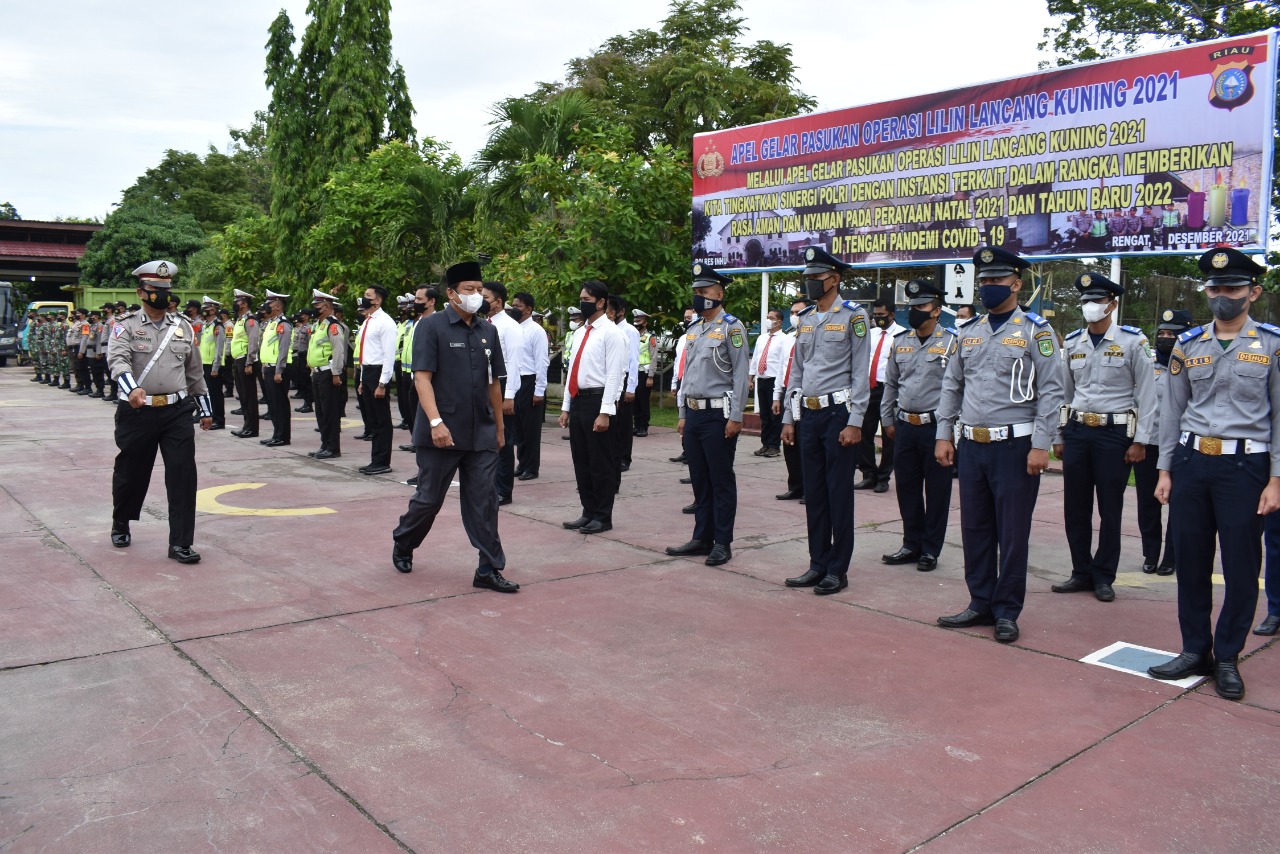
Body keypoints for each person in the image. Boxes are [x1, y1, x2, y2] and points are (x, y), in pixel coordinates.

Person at [1148, 248, 1280, 701]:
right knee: (1191, 560)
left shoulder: (1272, 345)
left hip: (1246, 466)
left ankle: (1227, 656)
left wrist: (1276, 478)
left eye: (1232, 289)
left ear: (1253, 293)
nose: (1222, 296)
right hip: (1191, 463)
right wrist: (1165, 468)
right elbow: (1173, 411)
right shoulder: (1187, 344)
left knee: (1242, 567)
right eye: (1215, 289)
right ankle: (1194, 649)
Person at [934, 246, 1065, 642]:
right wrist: (943, 433)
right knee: (975, 528)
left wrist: (1042, 445)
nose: (990, 287)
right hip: (972, 445)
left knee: (1011, 533)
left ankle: (1007, 609)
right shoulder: (967, 332)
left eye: (998, 280)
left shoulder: (1035, 331)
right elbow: (952, 385)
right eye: (985, 281)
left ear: (1017, 284)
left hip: (1016, 448)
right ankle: (980, 602)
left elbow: (1052, 391)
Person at [391, 261, 516, 592]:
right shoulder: (431, 327)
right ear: (451, 293)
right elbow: (422, 378)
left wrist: (500, 428)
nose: (476, 296)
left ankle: (488, 568)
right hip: (441, 432)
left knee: (484, 501)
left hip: (482, 432)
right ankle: (404, 541)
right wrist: (435, 422)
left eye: (480, 290)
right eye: (469, 290)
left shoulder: (488, 330)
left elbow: (493, 383)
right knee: (429, 500)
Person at [1051, 273, 1157, 602]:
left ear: (1112, 304)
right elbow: (1063, 393)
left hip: (1114, 434)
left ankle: (1103, 575)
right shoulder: (1073, 343)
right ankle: (1080, 571)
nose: (1090, 307)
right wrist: (1059, 434)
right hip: (1079, 431)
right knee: (1075, 507)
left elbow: (1148, 395)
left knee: (1110, 508)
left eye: (1096, 301)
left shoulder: (1132, 342)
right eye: (1085, 301)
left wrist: (1141, 440)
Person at [780, 246, 872, 595]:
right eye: (807, 278)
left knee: (837, 493)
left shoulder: (853, 316)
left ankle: (837, 568)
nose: (810, 284)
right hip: (809, 414)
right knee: (815, 493)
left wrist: (856, 421)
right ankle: (817, 563)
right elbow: (797, 372)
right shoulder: (804, 319)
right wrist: (790, 416)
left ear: (834, 279)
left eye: (816, 278)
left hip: (838, 415)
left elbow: (861, 372)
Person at [107, 261, 212, 563]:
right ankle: (121, 521)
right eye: (156, 290)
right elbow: (118, 361)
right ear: (141, 293)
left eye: (167, 290)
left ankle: (180, 542)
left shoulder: (183, 327)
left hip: (176, 412)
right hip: (136, 411)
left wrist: (204, 408)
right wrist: (132, 389)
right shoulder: (124, 326)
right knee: (131, 473)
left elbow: (194, 372)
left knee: (182, 474)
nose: (164, 296)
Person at [666, 265, 750, 565]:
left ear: (719, 294)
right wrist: (682, 412)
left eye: (704, 292)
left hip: (719, 415)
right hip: (694, 414)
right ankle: (702, 537)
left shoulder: (732, 327)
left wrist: (737, 415)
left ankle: (722, 542)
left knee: (720, 479)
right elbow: (687, 374)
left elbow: (741, 374)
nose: (699, 297)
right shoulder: (694, 329)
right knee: (699, 479)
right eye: (696, 293)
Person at [880, 279, 958, 572]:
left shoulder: (952, 342)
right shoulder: (901, 341)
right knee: (907, 487)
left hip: (936, 427)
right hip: (904, 425)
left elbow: (957, 389)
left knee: (937, 491)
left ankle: (930, 548)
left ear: (936, 311)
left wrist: (948, 431)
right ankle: (911, 543)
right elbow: (891, 384)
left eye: (921, 306)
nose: (915, 311)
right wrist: (887, 419)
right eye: (911, 306)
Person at [560, 281, 626, 534]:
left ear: (600, 302)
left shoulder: (612, 333)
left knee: (601, 462)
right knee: (582, 460)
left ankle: (602, 516)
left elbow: (614, 375)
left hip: (598, 401)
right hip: (578, 400)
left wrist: (605, 411)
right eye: (581, 298)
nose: (582, 303)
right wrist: (566, 407)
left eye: (586, 299)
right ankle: (588, 511)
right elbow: (573, 371)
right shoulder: (579, 333)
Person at [1134, 309, 1191, 577]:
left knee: (1178, 503)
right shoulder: (1148, 364)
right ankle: (1151, 553)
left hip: (1181, 447)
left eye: (1173, 334)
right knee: (1148, 503)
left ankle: (1172, 555)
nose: (1166, 338)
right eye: (1163, 333)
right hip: (1150, 443)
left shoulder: (1192, 362)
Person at [483, 281, 525, 504]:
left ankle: (503, 490)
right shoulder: (482, 323)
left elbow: (515, 363)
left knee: (504, 441)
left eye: (486, 297)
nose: (480, 301)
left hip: (502, 385)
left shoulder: (510, 327)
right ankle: (488, 485)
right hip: (485, 385)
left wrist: (509, 396)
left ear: (498, 302)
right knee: (486, 439)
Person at [858, 298, 904, 492]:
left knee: (889, 436)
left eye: (881, 315)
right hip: (869, 388)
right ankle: (868, 474)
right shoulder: (871, 334)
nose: (877, 318)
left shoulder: (902, 334)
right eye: (875, 315)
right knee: (863, 433)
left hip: (890, 391)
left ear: (891, 315)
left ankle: (883, 477)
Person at [354, 285, 399, 475]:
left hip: (379, 372)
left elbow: (388, 355)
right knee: (372, 420)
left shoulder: (385, 322)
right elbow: (366, 354)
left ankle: (382, 461)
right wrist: (363, 380)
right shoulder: (368, 321)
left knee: (381, 420)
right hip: (368, 372)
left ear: (378, 300)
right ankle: (375, 459)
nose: (363, 298)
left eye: (367, 296)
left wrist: (382, 383)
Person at [511, 291, 549, 481]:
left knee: (530, 428)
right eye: (513, 305)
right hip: (515, 381)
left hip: (530, 380)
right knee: (518, 426)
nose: (514, 309)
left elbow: (542, 361)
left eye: (518, 306)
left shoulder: (536, 331)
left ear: (528, 309)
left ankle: (532, 467)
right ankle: (522, 462)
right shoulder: (514, 328)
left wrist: (539, 389)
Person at [305, 290, 347, 460]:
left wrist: (336, 373)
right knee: (321, 411)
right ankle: (325, 444)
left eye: (317, 305)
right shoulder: (318, 325)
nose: (314, 308)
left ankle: (333, 447)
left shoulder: (333, 325)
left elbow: (338, 351)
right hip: (317, 373)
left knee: (329, 411)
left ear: (327, 306)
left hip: (328, 373)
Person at [773, 299, 804, 500]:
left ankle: (810, 488)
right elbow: (781, 368)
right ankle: (795, 486)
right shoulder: (787, 339)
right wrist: (777, 395)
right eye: (792, 312)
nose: (794, 316)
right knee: (788, 442)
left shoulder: (812, 336)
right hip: (787, 392)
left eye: (798, 312)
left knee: (805, 443)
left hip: (806, 393)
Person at [608, 295, 640, 471]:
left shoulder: (629, 330)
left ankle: (624, 457)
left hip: (626, 378)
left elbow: (633, 360)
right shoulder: (608, 329)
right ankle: (613, 454)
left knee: (624, 423)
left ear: (620, 311)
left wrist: (631, 388)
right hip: (612, 378)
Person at [749, 308, 787, 458]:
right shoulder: (762, 338)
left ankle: (774, 445)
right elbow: (756, 358)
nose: (768, 320)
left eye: (771, 318)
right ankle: (765, 443)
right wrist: (750, 378)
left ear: (779, 321)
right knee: (764, 414)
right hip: (762, 379)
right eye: (767, 317)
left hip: (775, 380)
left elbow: (783, 362)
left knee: (775, 414)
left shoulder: (784, 339)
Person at [258, 290, 293, 447]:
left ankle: (283, 436)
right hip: (268, 368)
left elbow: (283, 349)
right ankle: (276, 433)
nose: (267, 307)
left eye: (270, 304)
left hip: (278, 369)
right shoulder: (271, 323)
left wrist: (279, 370)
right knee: (272, 403)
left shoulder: (283, 324)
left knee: (280, 404)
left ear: (278, 307)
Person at [229, 289, 262, 438]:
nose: (235, 304)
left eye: (238, 301)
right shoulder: (240, 320)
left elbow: (253, 342)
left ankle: (252, 428)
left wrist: (249, 362)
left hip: (245, 360)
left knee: (249, 396)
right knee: (243, 396)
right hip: (238, 360)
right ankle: (246, 425)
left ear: (244, 304)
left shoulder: (250, 320)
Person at [669, 306, 696, 464]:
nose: (687, 320)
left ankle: (692, 452)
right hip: (681, 380)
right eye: (685, 317)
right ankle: (686, 450)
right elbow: (677, 362)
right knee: (682, 417)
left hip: (692, 382)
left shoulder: (698, 337)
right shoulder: (682, 339)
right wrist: (674, 382)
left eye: (690, 317)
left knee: (690, 418)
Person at [195, 297, 226, 429]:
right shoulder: (206, 326)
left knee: (215, 394)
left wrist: (216, 367)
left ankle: (219, 420)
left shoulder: (217, 326)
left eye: (206, 308)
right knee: (208, 393)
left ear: (213, 310)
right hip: (204, 364)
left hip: (213, 365)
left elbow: (219, 348)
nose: (204, 310)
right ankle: (212, 417)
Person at [632, 308, 657, 436]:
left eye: (639, 320)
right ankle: (636, 425)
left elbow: (653, 357)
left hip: (644, 373)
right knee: (634, 400)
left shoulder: (650, 338)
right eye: (635, 320)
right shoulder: (632, 336)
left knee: (643, 400)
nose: (637, 323)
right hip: (633, 373)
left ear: (645, 322)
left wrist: (651, 376)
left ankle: (643, 426)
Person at [291, 308, 313, 413]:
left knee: (307, 381)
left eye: (302, 315)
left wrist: (309, 360)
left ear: (307, 316)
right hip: (300, 355)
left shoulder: (309, 328)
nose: (300, 317)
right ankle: (305, 402)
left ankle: (308, 404)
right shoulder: (302, 327)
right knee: (302, 381)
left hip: (306, 356)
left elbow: (310, 344)